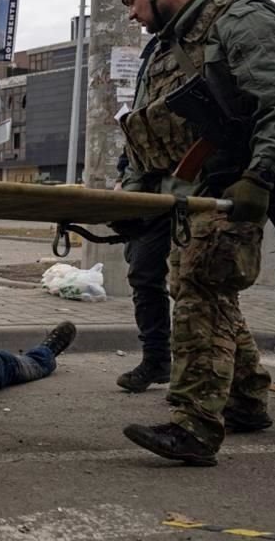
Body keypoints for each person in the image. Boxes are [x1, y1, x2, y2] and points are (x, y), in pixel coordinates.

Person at [108, 0, 275, 466]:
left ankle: (194, 424)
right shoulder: (164, 47)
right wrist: (138, 202)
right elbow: (155, 136)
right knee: (210, 290)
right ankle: (246, 400)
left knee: (201, 290)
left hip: (234, 190)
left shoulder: (239, 21)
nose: (131, 12)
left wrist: (261, 177)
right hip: (190, 198)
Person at [111, 147, 175, 394]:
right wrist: (122, 181)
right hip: (147, 199)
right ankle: (156, 359)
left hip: (194, 193)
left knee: (201, 287)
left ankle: (239, 380)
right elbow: (134, 138)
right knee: (144, 275)